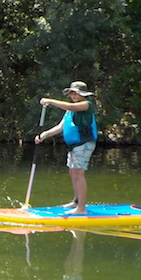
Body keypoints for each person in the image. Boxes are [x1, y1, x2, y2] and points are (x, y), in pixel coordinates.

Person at [34, 81, 98, 215]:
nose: (73, 95)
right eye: (72, 93)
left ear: (83, 95)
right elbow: (60, 127)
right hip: (74, 146)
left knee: (79, 174)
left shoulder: (86, 105)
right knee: (73, 172)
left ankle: (81, 208)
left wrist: (50, 101)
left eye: (76, 93)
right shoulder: (70, 110)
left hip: (84, 144)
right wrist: (44, 135)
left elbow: (69, 106)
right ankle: (76, 201)